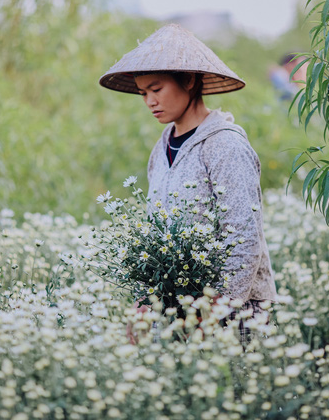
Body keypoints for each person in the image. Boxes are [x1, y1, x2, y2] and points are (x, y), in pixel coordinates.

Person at [99, 24, 277, 343]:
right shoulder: (162, 147)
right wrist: (144, 302)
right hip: (176, 313)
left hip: (236, 316)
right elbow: (156, 237)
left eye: (156, 89)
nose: (150, 101)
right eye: (143, 93)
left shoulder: (225, 145)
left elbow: (244, 236)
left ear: (190, 80)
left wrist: (211, 311)